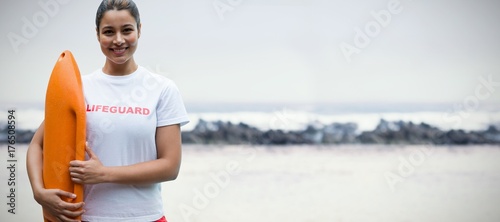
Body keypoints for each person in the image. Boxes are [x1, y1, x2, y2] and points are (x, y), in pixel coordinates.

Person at [26, 0, 189, 221]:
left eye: (127, 30)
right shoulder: (79, 88)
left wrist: (104, 174)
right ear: (98, 34)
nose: (118, 40)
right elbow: (37, 145)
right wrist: (39, 192)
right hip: (88, 217)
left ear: (139, 30)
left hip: (146, 216)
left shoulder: (162, 89)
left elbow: (170, 166)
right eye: (109, 32)